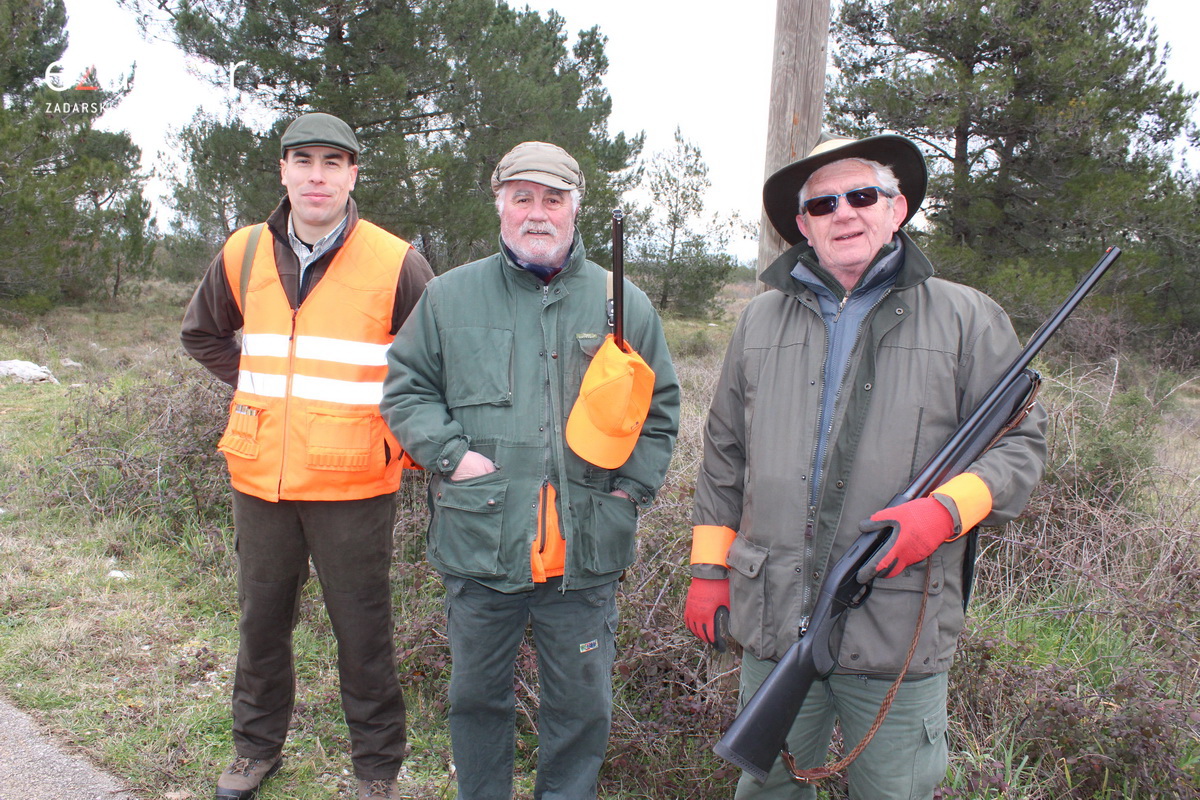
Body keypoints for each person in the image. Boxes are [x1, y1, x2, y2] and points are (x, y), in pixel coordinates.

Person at [684, 132, 1048, 799]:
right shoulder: (759, 319)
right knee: (767, 790)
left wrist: (943, 512)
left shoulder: (968, 318)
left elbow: (1021, 447)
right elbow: (724, 456)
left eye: (862, 195)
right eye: (823, 204)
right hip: (771, 617)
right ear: (803, 225)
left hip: (897, 621)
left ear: (897, 208)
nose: (843, 213)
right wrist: (710, 572)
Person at [380, 141, 680, 800]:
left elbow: (659, 412)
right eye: (522, 197)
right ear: (500, 205)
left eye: (552, 199)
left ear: (576, 210)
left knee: (581, 709)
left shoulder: (619, 303)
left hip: (586, 551)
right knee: (476, 701)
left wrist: (628, 493)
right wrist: (453, 458)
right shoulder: (448, 298)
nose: (536, 213)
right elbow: (406, 390)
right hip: (481, 543)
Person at [180, 112, 434, 800]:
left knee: (363, 633)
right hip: (261, 475)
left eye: (332, 162)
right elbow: (203, 334)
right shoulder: (242, 252)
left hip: (354, 481)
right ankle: (253, 751)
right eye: (303, 161)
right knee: (261, 624)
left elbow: (434, 365)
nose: (316, 175)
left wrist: (401, 438)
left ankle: (376, 770)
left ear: (353, 174)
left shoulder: (395, 260)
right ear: (283, 171)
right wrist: (263, 393)